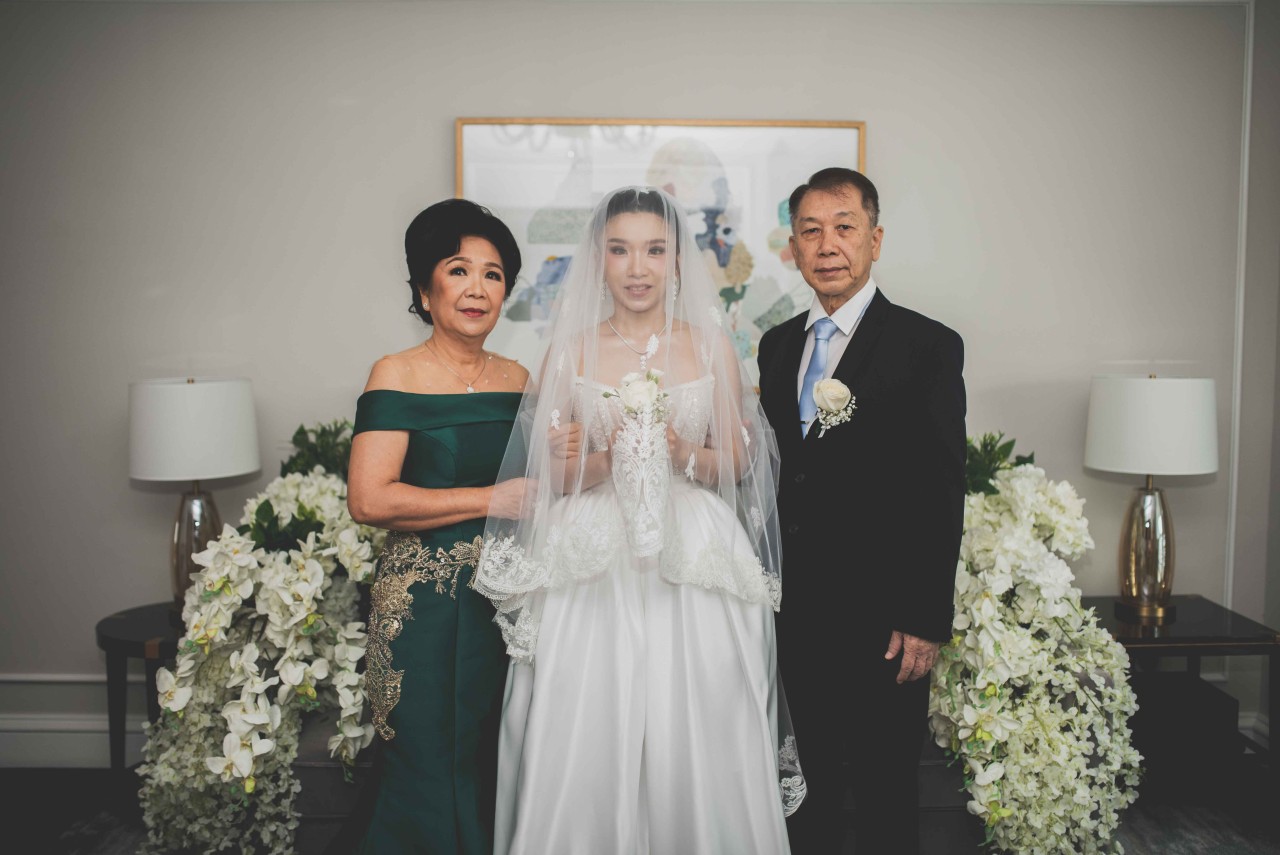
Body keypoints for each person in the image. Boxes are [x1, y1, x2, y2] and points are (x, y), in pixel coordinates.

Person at [474, 187, 803, 855]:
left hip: (693, 543)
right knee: (589, 711)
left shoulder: (710, 346)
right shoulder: (569, 352)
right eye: (620, 250)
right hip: (593, 551)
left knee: (703, 707)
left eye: (654, 250)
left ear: (677, 259)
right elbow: (551, 476)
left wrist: (681, 453)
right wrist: (597, 458)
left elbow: (739, 460)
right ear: (600, 258)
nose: (637, 268)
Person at [757, 167, 966, 853]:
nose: (828, 245)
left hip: (884, 621)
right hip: (795, 615)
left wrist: (925, 617)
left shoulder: (926, 345)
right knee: (804, 788)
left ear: (874, 239)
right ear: (793, 247)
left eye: (844, 227)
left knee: (884, 792)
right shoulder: (778, 345)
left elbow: (941, 487)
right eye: (811, 231)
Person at [343, 198, 529, 854]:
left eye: (493, 274)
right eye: (459, 270)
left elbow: (541, 488)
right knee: (424, 763)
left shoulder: (519, 380)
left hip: (506, 604)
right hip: (423, 606)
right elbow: (369, 498)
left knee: (494, 757)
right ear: (425, 291)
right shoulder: (395, 373)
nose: (478, 288)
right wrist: (492, 498)